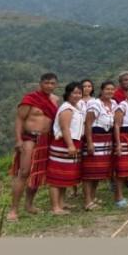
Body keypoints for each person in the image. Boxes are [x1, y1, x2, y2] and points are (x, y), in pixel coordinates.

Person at [8, 72, 59, 221]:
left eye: (52, 83)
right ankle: (13, 210)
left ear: (56, 85)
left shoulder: (55, 100)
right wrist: (18, 140)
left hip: (46, 140)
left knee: (38, 173)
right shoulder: (30, 99)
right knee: (24, 172)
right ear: (40, 83)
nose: (49, 86)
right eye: (46, 83)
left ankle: (29, 205)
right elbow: (19, 119)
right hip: (29, 138)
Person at [46, 82, 85, 215]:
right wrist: (70, 145)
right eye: (74, 92)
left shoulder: (76, 108)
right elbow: (65, 128)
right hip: (63, 145)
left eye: (79, 93)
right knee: (57, 177)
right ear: (68, 94)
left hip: (72, 143)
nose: (77, 95)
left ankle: (61, 203)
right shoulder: (67, 109)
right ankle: (55, 207)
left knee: (63, 176)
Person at [81, 80, 121, 209]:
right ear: (101, 90)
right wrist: (90, 142)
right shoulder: (94, 104)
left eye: (112, 89)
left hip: (106, 140)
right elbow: (88, 123)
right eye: (107, 89)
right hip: (95, 138)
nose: (110, 91)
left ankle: (92, 198)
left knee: (98, 171)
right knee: (89, 171)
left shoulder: (114, 103)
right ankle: (87, 201)